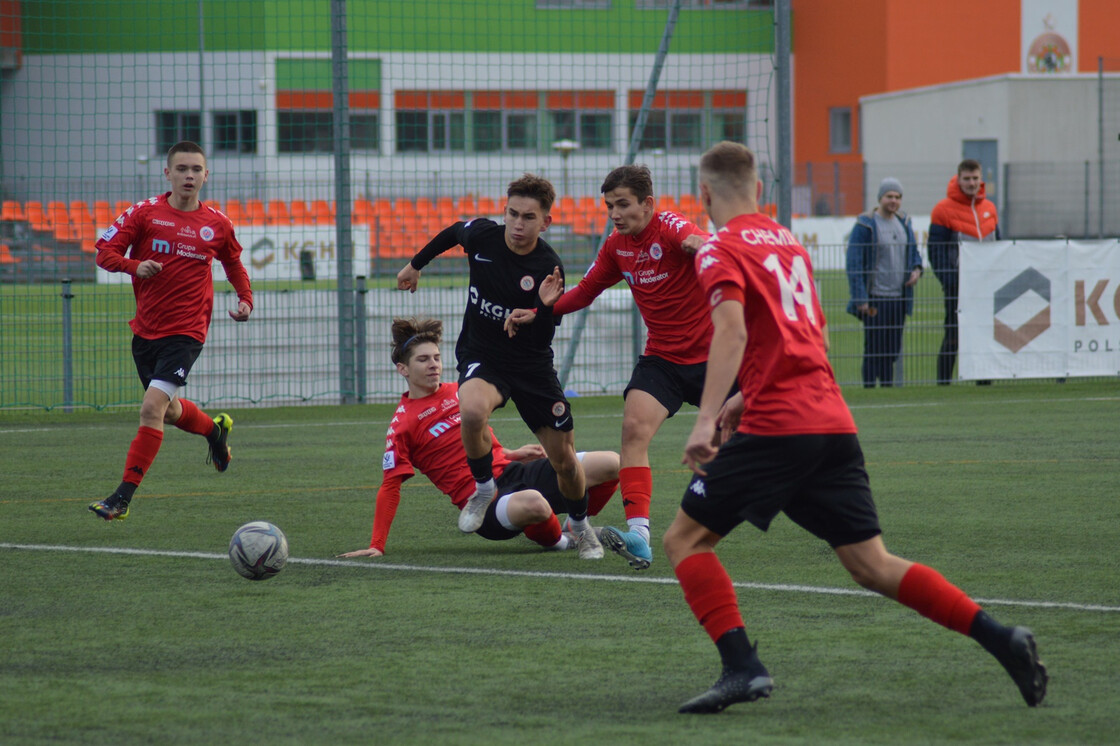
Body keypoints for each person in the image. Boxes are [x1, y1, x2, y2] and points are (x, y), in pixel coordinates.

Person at [663, 141, 1047, 714]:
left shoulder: (718, 247)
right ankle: (1001, 638)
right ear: (761, 192)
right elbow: (803, 336)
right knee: (871, 563)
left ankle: (742, 667)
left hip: (780, 429)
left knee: (685, 540)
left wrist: (704, 418)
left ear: (705, 194)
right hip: (830, 420)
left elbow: (733, 333)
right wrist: (743, 397)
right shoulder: (789, 244)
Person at [506, 164, 711, 571]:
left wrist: (702, 245)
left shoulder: (670, 227)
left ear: (647, 204)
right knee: (633, 430)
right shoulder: (618, 246)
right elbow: (586, 290)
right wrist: (540, 311)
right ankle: (640, 536)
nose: (615, 214)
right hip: (663, 360)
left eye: (623, 205)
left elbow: (701, 240)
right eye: (609, 206)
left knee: (754, 444)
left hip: (714, 358)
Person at [396, 174, 604, 559]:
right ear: (504, 211)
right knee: (471, 410)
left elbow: (545, 338)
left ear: (545, 223)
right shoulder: (484, 237)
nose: (518, 225)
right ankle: (484, 489)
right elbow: (453, 232)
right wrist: (415, 264)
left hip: (532, 367)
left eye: (528, 217)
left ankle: (579, 524)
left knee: (564, 460)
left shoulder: (548, 266)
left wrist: (537, 313)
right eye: (512, 214)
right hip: (484, 355)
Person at [338, 318, 620, 559]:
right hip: (485, 504)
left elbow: (473, 440)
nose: (433, 365)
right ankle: (560, 542)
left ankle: (575, 524)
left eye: (436, 357)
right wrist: (377, 545)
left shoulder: (459, 391)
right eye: (423, 360)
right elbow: (390, 487)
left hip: (513, 471)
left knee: (612, 464)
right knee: (535, 503)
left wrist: (510, 453)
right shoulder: (402, 425)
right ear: (403, 369)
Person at [89, 140, 253, 521]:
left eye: (196, 169)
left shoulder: (217, 223)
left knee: (150, 409)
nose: (189, 176)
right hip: (146, 330)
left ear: (206, 175)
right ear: (168, 173)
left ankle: (121, 498)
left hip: (187, 331)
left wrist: (245, 299)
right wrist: (135, 266)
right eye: (182, 169)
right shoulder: (144, 213)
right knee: (169, 410)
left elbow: (233, 263)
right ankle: (214, 431)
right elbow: (104, 253)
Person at [845, 177, 923, 387]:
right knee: (873, 349)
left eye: (898, 197)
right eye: (889, 196)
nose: (894, 201)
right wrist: (861, 297)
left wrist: (917, 269)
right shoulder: (865, 225)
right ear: (880, 198)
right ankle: (870, 388)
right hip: (875, 299)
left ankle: (887, 388)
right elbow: (854, 263)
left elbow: (913, 253)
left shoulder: (904, 223)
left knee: (892, 350)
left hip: (899, 299)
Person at [928, 159, 999, 384]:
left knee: (986, 336)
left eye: (975, 178)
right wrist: (950, 281)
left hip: (987, 287)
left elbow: (1001, 246)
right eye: (967, 179)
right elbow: (935, 252)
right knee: (953, 336)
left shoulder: (990, 208)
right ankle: (943, 385)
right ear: (958, 179)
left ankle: (984, 382)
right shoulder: (942, 210)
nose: (971, 183)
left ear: (981, 180)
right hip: (958, 287)